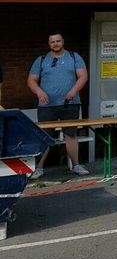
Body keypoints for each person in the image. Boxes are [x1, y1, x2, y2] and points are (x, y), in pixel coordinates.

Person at [27, 33, 89, 178]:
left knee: (71, 134)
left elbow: (83, 76)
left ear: (63, 41)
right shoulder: (41, 60)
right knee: (44, 136)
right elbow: (31, 80)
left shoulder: (74, 57)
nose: (55, 44)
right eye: (52, 42)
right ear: (49, 44)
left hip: (70, 104)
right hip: (47, 105)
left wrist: (74, 90)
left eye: (58, 41)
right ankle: (39, 168)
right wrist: (39, 92)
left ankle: (76, 165)